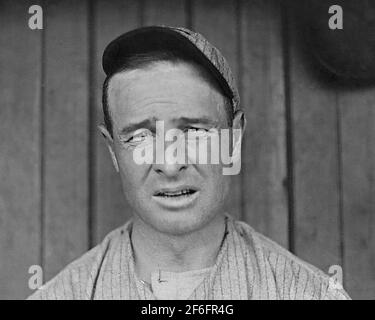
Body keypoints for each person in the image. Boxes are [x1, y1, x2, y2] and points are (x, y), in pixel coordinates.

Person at [28, 26, 350, 300]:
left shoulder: (309, 293)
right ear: (113, 151)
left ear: (234, 139)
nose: (169, 165)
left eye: (194, 131)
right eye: (141, 137)